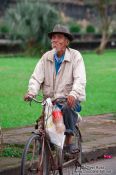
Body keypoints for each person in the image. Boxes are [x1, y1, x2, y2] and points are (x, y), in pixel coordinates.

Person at [24, 24, 86, 153]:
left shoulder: (76, 56)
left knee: (67, 109)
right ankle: (47, 150)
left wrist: (73, 94)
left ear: (66, 41)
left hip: (69, 99)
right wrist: (31, 92)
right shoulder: (46, 57)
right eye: (53, 37)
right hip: (51, 101)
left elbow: (80, 79)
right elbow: (36, 77)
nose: (54, 40)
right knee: (43, 126)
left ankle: (68, 143)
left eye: (58, 37)